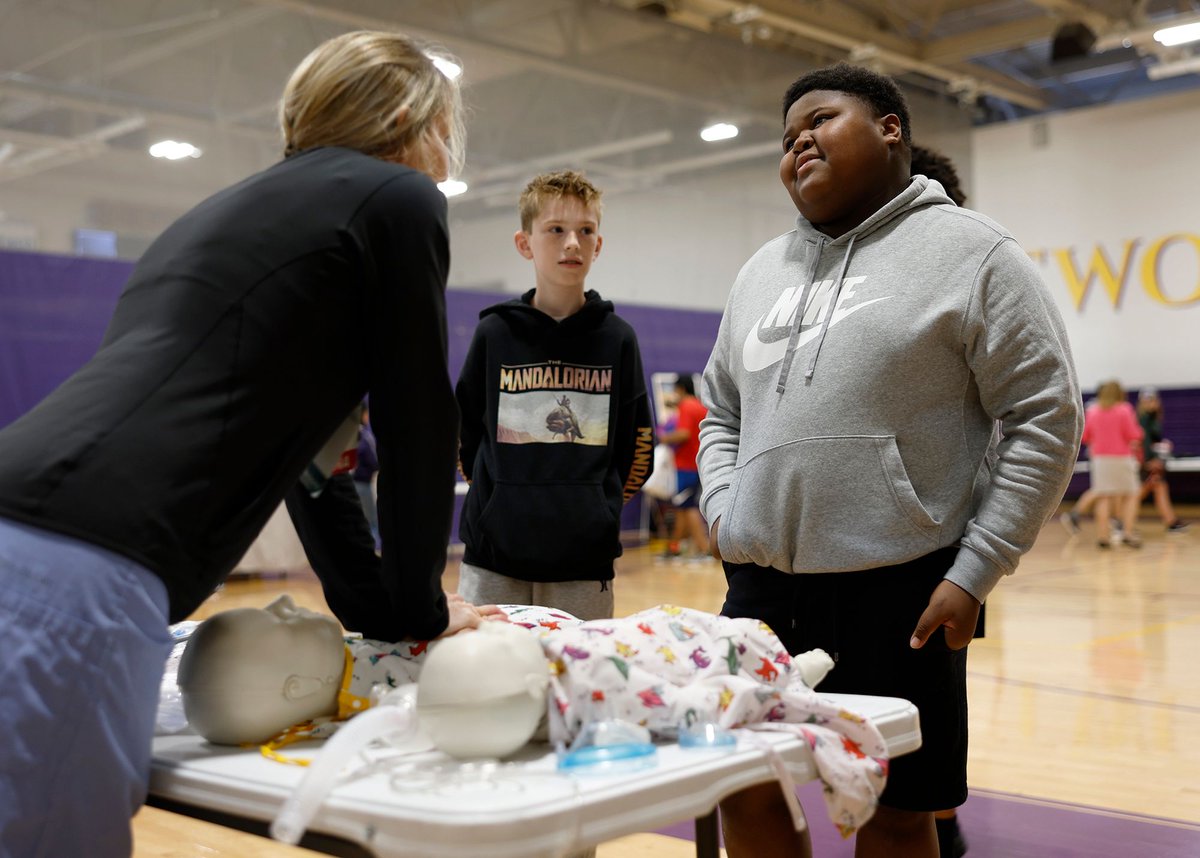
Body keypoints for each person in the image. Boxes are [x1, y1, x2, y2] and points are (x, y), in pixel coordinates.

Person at [0, 30, 496, 857]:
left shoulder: (220, 214)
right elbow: (417, 420)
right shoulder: (397, 201)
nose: (446, 166)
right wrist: (421, 609)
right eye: (445, 134)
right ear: (413, 117)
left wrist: (377, 610)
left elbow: (310, 461)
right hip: (86, 564)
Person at [697, 63, 1082, 858]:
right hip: (762, 583)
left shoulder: (975, 254)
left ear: (890, 128)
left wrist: (976, 569)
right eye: (786, 134)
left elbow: (1046, 415)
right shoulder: (758, 273)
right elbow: (722, 409)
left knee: (900, 811)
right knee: (745, 787)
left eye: (821, 118)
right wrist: (723, 509)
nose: (798, 138)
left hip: (904, 589)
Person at [454, 170, 654, 621]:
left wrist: (594, 509)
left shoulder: (618, 339)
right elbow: (464, 431)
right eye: (556, 230)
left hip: (583, 563)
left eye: (586, 231)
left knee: (581, 685)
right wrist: (495, 501)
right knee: (488, 680)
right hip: (493, 558)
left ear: (598, 245)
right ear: (525, 243)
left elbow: (637, 445)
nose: (572, 243)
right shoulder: (493, 333)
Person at [1077, 380, 1144, 548]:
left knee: (1103, 496)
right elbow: (1133, 434)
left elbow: (1085, 437)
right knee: (1130, 495)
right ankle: (1127, 533)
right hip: (1122, 458)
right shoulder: (1124, 409)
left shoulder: (1092, 410)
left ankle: (1103, 537)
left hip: (1100, 460)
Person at [657, 373, 711, 560]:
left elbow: (683, 434)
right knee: (682, 507)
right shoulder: (699, 405)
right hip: (696, 464)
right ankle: (674, 548)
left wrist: (664, 438)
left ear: (679, 389)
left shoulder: (687, 406)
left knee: (687, 508)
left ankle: (705, 550)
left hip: (687, 465)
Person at [1135, 387, 1190, 533]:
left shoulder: (1153, 417)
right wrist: (1149, 460)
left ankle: (1170, 521)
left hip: (1153, 459)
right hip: (1148, 461)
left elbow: (1153, 440)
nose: (1150, 403)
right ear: (1141, 403)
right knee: (1142, 490)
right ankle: (1121, 520)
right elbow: (1143, 441)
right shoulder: (1144, 418)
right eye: (1147, 400)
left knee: (1159, 487)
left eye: (1152, 399)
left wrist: (1162, 444)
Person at [353, 401, 381, 547]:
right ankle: (374, 549)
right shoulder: (362, 435)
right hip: (362, 483)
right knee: (371, 521)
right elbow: (370, 456)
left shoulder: (353, 433)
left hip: (358, 482)